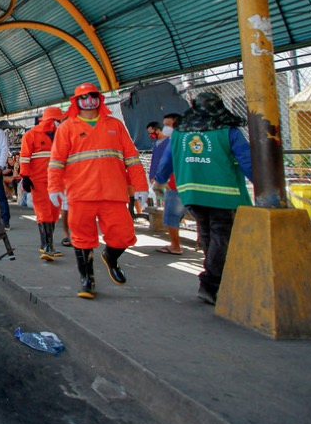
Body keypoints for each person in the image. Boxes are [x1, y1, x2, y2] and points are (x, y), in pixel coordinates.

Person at [47, 83, 148, 299]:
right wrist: (54, 186)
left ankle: (111, 257)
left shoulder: (115, 125)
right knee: (82, 238)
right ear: (76, 102)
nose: (89, 100)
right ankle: (87, 280)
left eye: (93, 96)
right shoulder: (67, 127)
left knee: (123, 236)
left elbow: (132, 158)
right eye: (84, 97)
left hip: (113, 192)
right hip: (81, 194)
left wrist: (141, 186)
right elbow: (56, 161)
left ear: (99, 99)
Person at [154, 93, 253, 306]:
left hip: (192, 193)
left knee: (207, 232)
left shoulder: (180, 133)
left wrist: (159, 181)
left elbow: (167, 160)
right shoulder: (229, 131)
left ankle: (211, 276)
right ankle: (212, 282)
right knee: (220, 234)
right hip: (224, 195)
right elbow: (247, 159)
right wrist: (263, 186)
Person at [19, 106, 65, 260]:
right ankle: (48, 247)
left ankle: (46, 244)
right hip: (38, 180)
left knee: (54, 211)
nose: (60, 122)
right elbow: (25, 156)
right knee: (44, 211)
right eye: (58, 119)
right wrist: (25, 176)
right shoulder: (31, 135)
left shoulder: (62, 135)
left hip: (58, 180)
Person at [147, 117, 184, 255]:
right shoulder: (158, 143)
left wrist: (160, 180)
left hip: (174, 183)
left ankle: (176, 246)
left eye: (168, 124)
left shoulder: (173, 140)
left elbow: (165, 162)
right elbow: (156, 161)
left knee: (171, 215)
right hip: (186, 183)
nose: (165, 128)